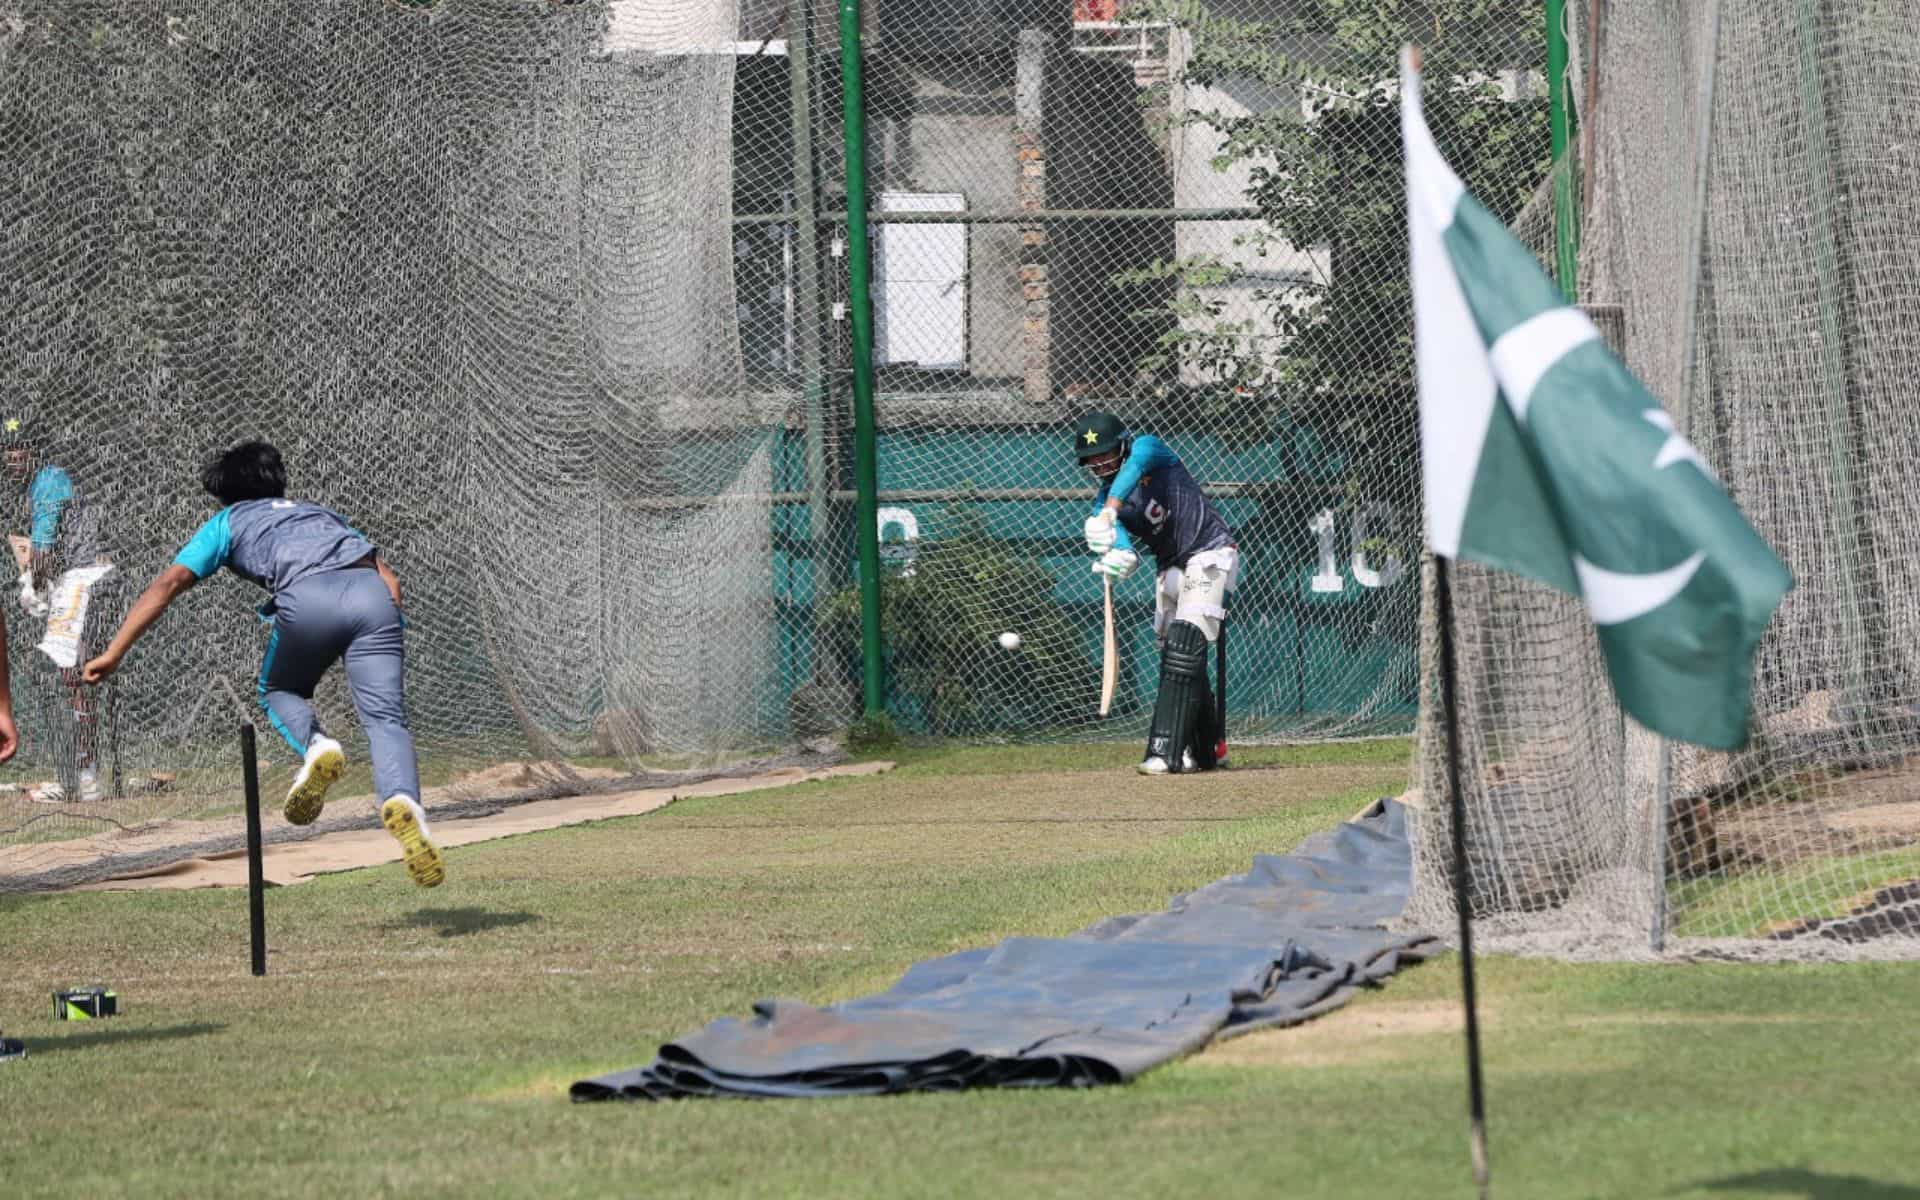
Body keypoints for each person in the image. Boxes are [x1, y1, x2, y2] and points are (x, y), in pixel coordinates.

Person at [81, 440, 443, 887]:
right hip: (373, 599)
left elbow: (170, 582)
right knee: (387, 719)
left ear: (223, 493)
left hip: (308, 599)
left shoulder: (226, 522)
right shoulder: (320, 513)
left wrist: (114, 651)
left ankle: (317, 748)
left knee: (277, 690)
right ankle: (404, 802)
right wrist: (382, 632)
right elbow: (388, 575)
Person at [1077, 411, 1238, 775]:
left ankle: (1164, 753)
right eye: (1093, 458)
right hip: (1171, 566)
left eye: (1106, 452)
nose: (1100, 462)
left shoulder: (1148, 448)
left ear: (1122, 443)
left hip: (1210, 551)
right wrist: (1119, 558)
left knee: (1186, 640)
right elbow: (1122, 546)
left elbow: (1132, 474)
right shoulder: (1102, 503)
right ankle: (1208, 749)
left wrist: (1109, 512)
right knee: (1177, 656)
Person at [4, 416, 110, 802]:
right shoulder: (44, 482)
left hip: (80, 580)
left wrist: (33, 586)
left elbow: (45, 548)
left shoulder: (47, 482)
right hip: (80, 578)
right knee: (75, 676)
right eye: (9, 449)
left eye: (21, 448)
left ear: (35, 451)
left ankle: (86, 775)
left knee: (76, 677)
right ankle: (81, 772)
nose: (14, 456)